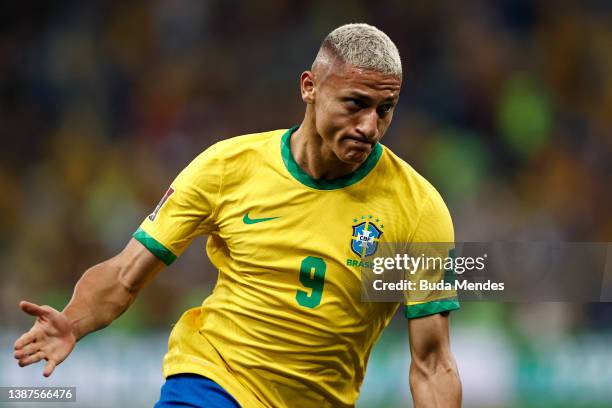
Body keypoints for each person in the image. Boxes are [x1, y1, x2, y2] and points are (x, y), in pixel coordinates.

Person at [14, 23, 461, 407]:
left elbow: (433, 362)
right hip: (211, 381)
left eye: (385, 110)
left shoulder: (418, 210)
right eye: (355, 104)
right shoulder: (227, 167)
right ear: (309, 87)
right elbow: (126, 274)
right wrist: (72, 321)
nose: (370, 126)